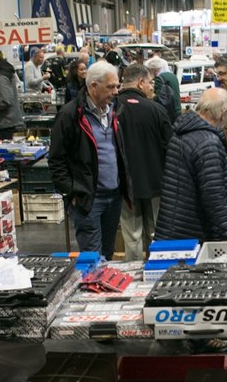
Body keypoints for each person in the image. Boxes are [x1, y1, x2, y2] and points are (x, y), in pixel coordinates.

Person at [49, 61, 128, 259]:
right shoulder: (70, 115)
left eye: (117, 86)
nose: (116, 92)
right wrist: (73, 192)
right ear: (93, 86)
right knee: (93, 255)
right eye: (111, 86)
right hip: (89, 199)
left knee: (108, 253)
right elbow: (56, 160)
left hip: (114, 196)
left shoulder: (115, 110)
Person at [154, 86, 227, 243]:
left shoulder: (181, 133)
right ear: (223, 113)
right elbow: (214, 196)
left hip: (172, 227)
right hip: (193, 234)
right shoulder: (208, 144)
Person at [115, 64, 172, 261]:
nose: (151, 88)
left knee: (132, 237)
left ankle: (133, 279)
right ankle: (156, 275)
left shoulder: (112, 109)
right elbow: (170, 146)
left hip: (124, 186)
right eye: (150, 83)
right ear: (140, 82)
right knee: (157, 234)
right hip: (156, 184)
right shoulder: (156, 110)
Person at [0, 47, 25, 141]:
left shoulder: (1, 77)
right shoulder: (7, 71)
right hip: (10, 120)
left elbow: (5, 101)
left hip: (6, 122)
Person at [145, 57, 182, 123]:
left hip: (169, 111)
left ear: (154, 69)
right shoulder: (172, 76)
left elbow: (159, 97)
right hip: (178, 108)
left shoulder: (159, 78)